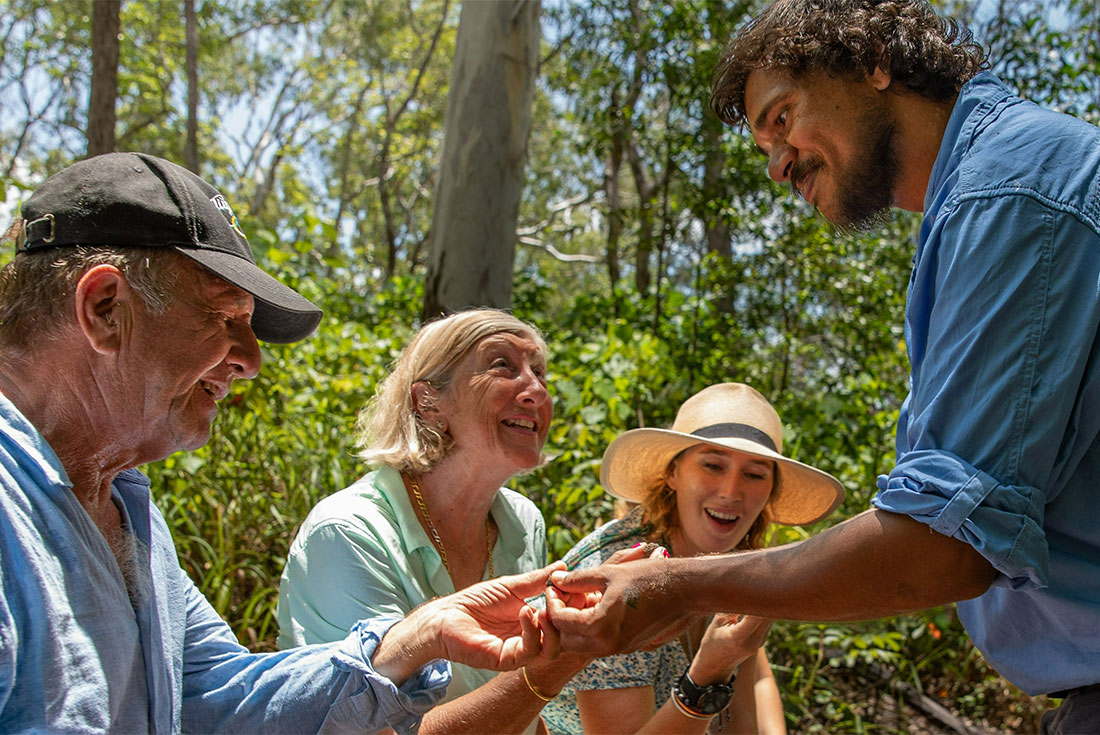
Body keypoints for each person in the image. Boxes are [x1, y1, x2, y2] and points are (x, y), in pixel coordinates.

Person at [546, 1, 1100, 731]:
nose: (777, 165)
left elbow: (943, 545)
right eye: (761, 146)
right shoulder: (978, 201)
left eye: (781, 117)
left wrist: (671, 588)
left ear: (874, 61)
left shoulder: (1011, 189)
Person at [0, 152, 563, 734]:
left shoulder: (128, 510)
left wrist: (418, 636)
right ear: (105, 308)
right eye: (223, 317)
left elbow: (220, 697)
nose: (251, 360)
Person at [278, 308, 593, 733]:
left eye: (540, 372)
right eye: (502, 365)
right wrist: (572, 654)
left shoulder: (523, 521)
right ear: (428, 403)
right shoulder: (349, 532)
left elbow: (522, 713)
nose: (536, 390)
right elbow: (374, 729)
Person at [539, 383, 843, 735]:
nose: (731, 491)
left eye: (755, 474)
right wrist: (707, 676)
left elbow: (752, 674)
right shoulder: (619, 575)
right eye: (713, 465)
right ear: (672, 473)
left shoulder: (736, 561)